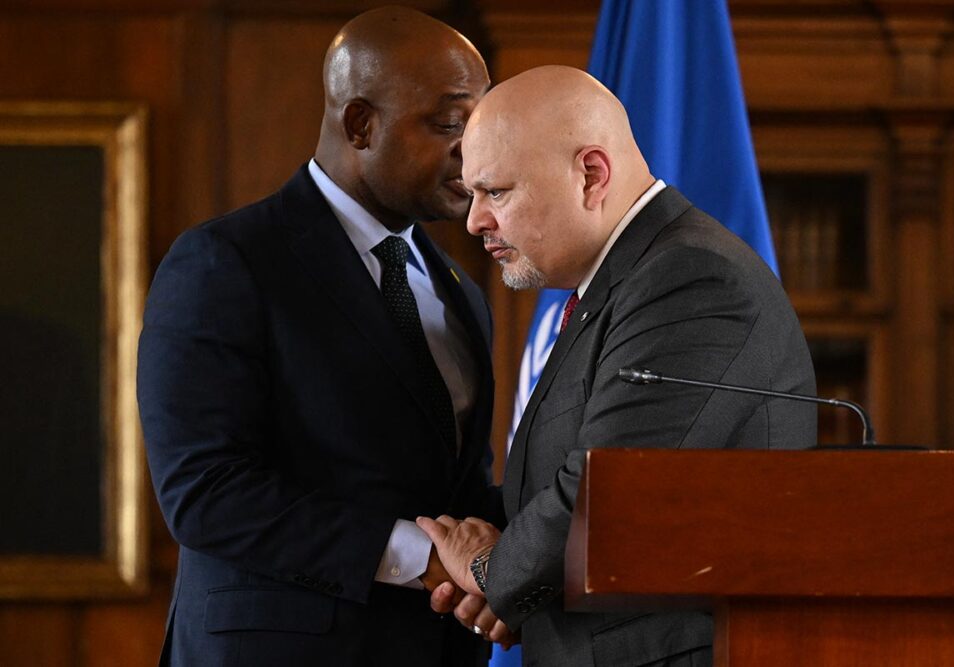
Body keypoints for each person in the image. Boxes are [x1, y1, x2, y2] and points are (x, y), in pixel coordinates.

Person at [137, 7, 505, 665]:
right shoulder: (227, 262)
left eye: (478, 129)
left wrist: (510, 556)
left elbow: (457, 490)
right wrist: (423, 559)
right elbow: (205, 492)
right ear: (361, 124)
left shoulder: (462, 290)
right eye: (450, 125)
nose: (472, 151)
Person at [418, 65, 817, 667]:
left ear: (591, 175)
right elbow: (560, 481)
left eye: (495, 192)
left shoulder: (690, 279)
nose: (474, 221)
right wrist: (480, 563)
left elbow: (602, 493)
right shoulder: (621, 282)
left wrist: (486, 568)